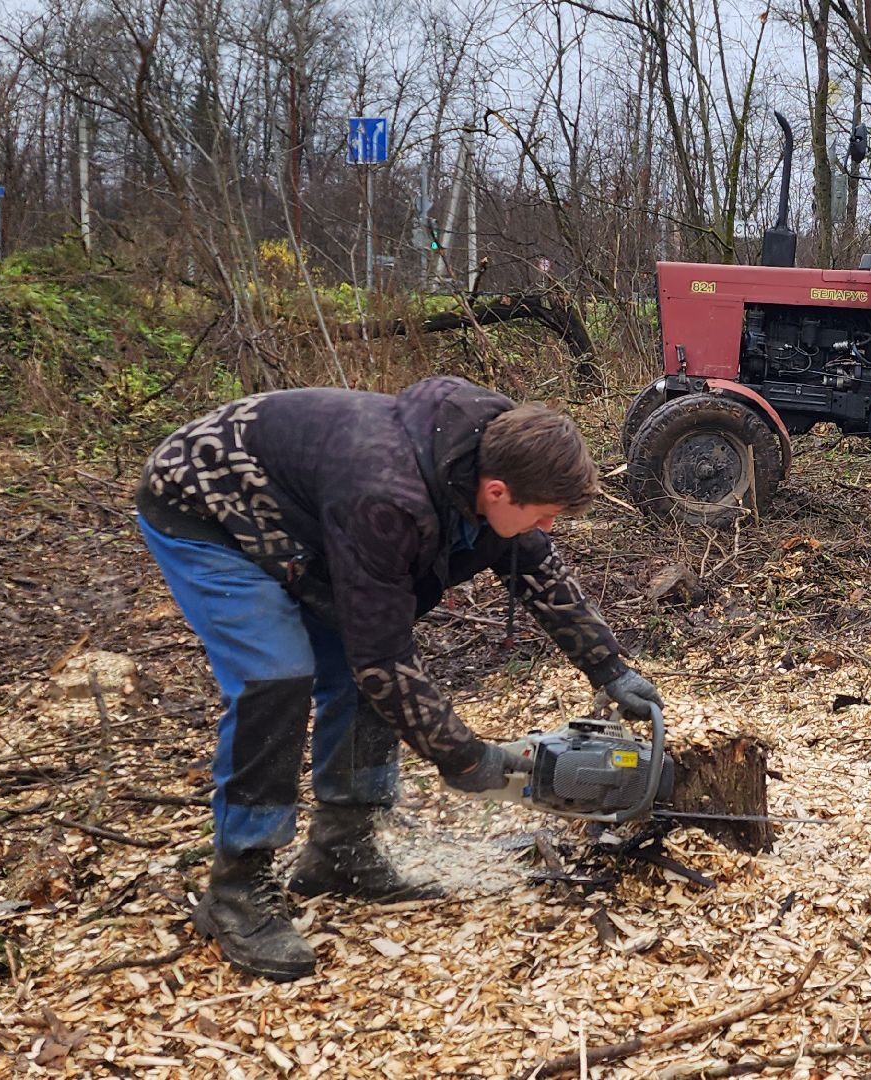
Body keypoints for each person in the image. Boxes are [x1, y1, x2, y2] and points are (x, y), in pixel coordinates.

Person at [136, 375, 662, 982]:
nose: (547, 528)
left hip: (311, 514)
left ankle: (341, 848)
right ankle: (235, 886)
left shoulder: (497, 457)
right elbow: (382, 658)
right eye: (543, 515)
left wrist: (610, 668)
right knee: (275, 676)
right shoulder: (389, 499)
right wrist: (464, 758)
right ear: (496, 491)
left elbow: (538, 570)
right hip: (206, 505)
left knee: (360, 679)